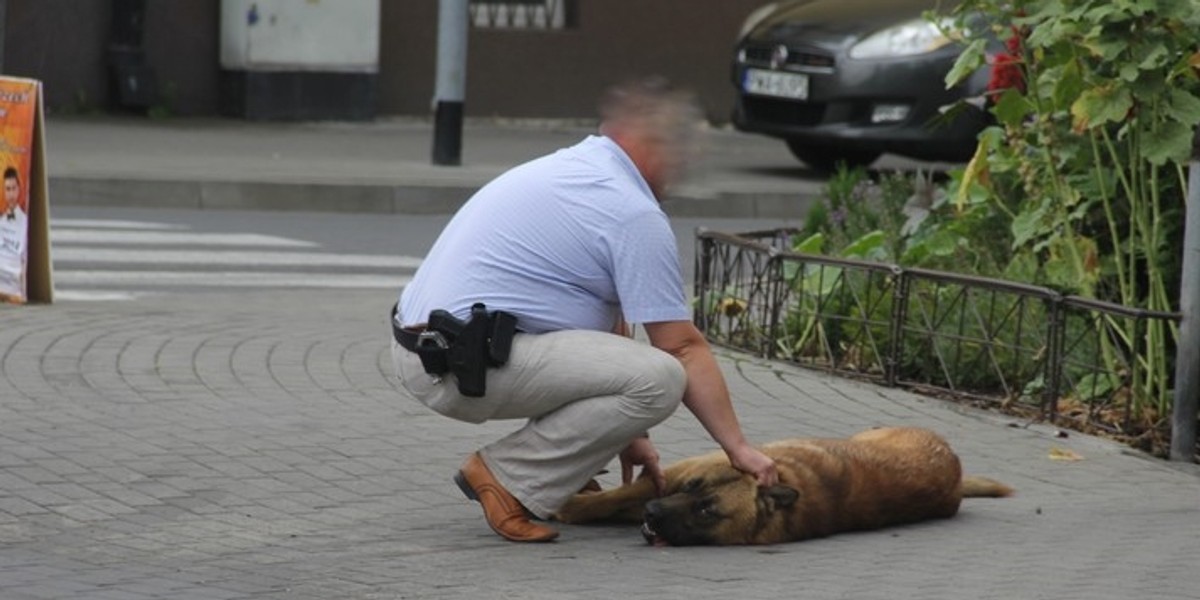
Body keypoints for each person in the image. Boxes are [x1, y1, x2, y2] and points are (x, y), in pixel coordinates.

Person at [390, 77, 778, 543]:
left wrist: (628, 432)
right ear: (650, 146)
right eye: (679, 156)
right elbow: (681, 348)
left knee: (643, 376)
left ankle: (559, 474)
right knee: (663, 377)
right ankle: (503, 477)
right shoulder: (630, 211)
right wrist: (737, 448)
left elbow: (607, 336)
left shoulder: (579, 168)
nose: (681, 171)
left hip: (434, 350)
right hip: (459, 367)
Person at [0, 166, 29, 300]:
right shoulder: (1, 221)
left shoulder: (25, 222)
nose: (11, 194)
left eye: (13, 188)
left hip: (15, 290)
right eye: (8, 189)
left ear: (19, 190)